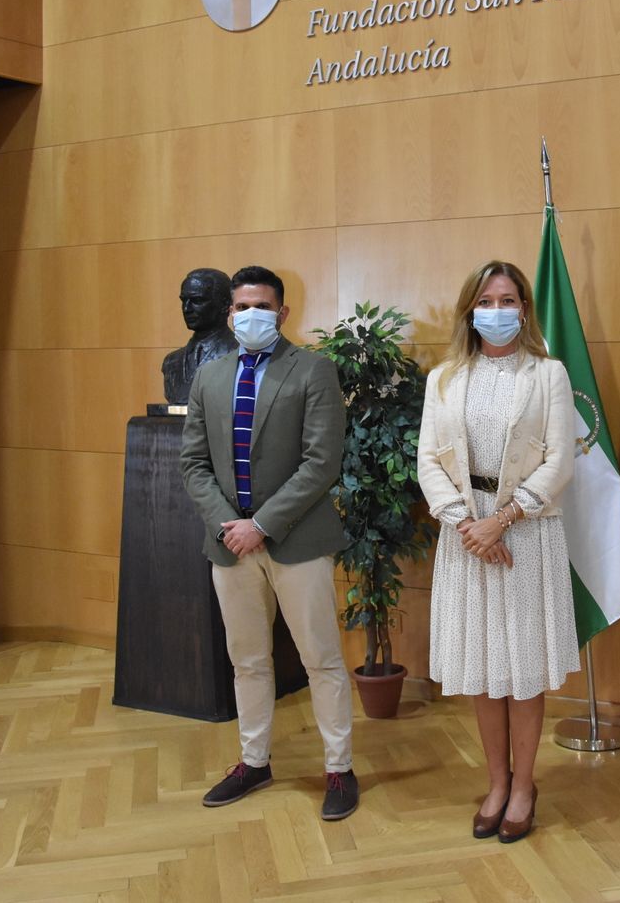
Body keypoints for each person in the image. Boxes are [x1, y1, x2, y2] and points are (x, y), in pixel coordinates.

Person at [179, 265, 359, 820]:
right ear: (229, 314)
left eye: (261, 306)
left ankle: (339, 768)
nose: (249, 315)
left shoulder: (313, 370)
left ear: (282, 313)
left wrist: (262, 524)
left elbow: (320, 462)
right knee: (248, 661)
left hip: (297, 541)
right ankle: (253, 761)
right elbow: (193, 462)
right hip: (229, 545)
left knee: (321, 660)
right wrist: (229, 525)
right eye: (240, 307)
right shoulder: (209, 376)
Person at [417, 261, 580, 844]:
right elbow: (428, 462)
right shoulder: (443, 378)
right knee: (485, 671)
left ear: (524, 309)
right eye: (487, 298)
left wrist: (503, 520)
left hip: (526, 534)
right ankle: (495, 782)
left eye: (509, 299)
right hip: (466, 539)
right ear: (470, 309)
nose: (498, 309)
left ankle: (525, 785)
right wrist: (468, 525)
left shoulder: (548, 374)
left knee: (522, 670)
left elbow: (562, 460)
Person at [162, 267, 237, 404]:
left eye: (197, 301)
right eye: (184, 301)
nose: (186, 309)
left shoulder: (240, 356)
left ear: (225, 305)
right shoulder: (171, 362)